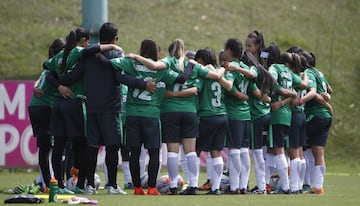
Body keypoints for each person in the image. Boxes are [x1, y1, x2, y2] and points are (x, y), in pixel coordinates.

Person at [59, 23, 156, 195]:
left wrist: (58, 82)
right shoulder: (116, 53)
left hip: (92, 107)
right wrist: (143, 84)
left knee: (92, 147)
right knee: (112, 147)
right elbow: (122, 77)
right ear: (115, 38)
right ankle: (111, 185)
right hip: (111, 108)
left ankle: (89, 185)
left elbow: (72, 76)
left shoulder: (88, 55)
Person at [128, 38, 225, 195]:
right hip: (190, 111)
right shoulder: (192, 65)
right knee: (191, 151)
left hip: (170, 111)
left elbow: (153, 66)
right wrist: (222, 70)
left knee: (172, 151)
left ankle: (173, 186)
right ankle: (193, 185)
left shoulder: (168, 62)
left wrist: (135, 57)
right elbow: (215, 77)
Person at [99, 39, 191, 195]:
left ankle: (137, 188)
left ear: (141, 50)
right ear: (156, 51)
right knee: (154, 152)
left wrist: (95, 52)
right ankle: (152, 188)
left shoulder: (131, 63)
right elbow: (181, 79)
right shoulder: (161, 69)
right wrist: (191, 65)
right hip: (151, 115)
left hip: (133, 115)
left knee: (134, 152)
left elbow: (108, 64)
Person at [44, 27, 123, 194]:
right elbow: (96, 51)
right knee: (83, 145)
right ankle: (84, 184)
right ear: (84, 40)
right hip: (78, 102)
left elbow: (47, 68)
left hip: (59, 103)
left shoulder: (60, 56)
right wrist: (114, 48)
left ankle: (59, 185)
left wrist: (60, 85)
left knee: (60, 146)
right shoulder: (81, 52)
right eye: (87, 41)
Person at [265, 43, 307, 194]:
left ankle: (286, 186)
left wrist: (278, 93)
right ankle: (290, 185)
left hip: (277, 114)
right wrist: (305, 74)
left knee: (278, 150)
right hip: (288, 114)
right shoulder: (290, 73)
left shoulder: (275, 68)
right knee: (284, 149)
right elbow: (303, 84)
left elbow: (272, 82)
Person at [28, 38, 66, 193]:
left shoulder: (49, 66)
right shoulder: (58, 67)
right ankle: (48, 184)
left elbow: (39, 80)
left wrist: (35, 85)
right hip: (45, 107)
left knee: (45, 148)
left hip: (35, 106)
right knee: (50, 148)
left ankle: (44, 182)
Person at [194, 48, 230, 195]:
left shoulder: (204, 74)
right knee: (216, 152)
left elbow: (196, 91)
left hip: (207, 116)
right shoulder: (221, 73)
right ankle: (215, 187)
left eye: (198, 61)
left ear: (202, 60)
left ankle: (192, 185)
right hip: (222, 115)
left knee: (194, 151)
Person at [296, 51, 333, 194]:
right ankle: (317, 186)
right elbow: (329, 89)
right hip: (325, 116)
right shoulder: (319, 73)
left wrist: (322, 101)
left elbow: (313, 92)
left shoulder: (308, 73)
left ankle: (305, 183)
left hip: (315, 115)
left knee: (300, 147)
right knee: (318, 151)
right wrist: (327, 97)